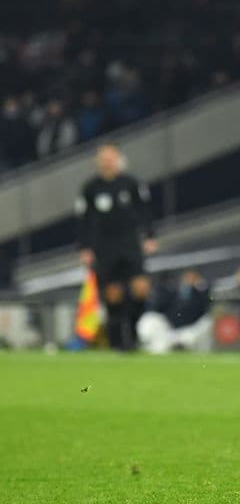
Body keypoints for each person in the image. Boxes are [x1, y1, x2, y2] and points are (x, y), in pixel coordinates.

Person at [75, 143, 158, 351]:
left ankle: (132, 327)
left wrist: (149, 236)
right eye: (103, 157)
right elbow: (83, 220)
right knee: (113, 294)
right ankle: (116, 339)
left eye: (111, 157)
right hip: (105, 246)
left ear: (118, 158)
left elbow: (145, 211)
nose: (107, 161)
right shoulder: (90, 188)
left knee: (141, 289)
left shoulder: (131, 183)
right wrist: (84, 248)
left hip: (130, 243)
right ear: (97, 161)